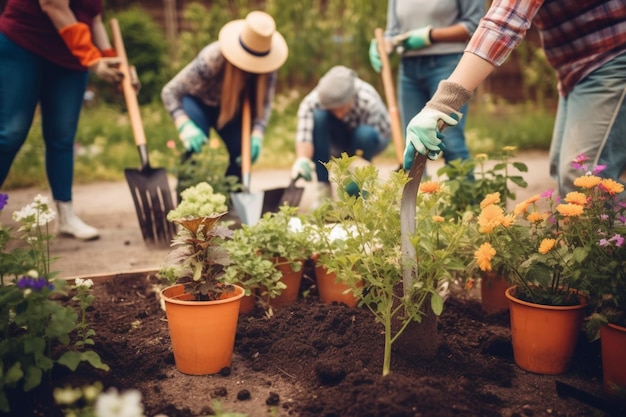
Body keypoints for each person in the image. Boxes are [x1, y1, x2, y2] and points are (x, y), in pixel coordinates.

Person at [403, 1, 626, 197]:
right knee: (565, 173)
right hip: (577, 70)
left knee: (581, 177)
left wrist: (440, 105)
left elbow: (503, 22)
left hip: (613, 57)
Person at [0, 0, 125, 240]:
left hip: (69, 60)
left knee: (62, 136)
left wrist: (111, 59)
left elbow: (94, 18)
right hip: (24, 44)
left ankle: (66, 216)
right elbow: (52, 5)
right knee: (9, 133)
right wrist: (92, 58)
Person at [161, 11, 288, 187]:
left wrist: (257, 134)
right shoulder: (213, 57)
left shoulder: (268, 67)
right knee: (195, 148)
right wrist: (183, 123)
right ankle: (186, 198)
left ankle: (233, 197)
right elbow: (170, 91)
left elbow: (264, 104)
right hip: (198, 103)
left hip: (230, 110)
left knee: (240, 152)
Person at [368, 0, 484, 172]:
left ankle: (466, 198)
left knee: (450, 141)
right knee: (413, 142)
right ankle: (418, 197)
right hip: (408, 68)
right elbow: (393, 32)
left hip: (448, 63)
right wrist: (384, 45)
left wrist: (430, 35)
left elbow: (476, 26)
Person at [290, 65, 391, 207]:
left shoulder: (367, 100)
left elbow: (375, 136)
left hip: (370, 137)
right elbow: (305, 136)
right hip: (337, 139)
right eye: (333, 110)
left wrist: (358, 169)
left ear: (351, 97)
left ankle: (361, 187)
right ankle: (323, 190)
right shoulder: (312, 102)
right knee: (319, 117)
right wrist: (302, 159)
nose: (338, 114)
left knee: (364, 134)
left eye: (342, 108)